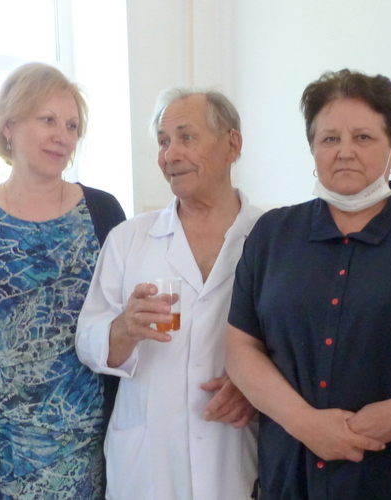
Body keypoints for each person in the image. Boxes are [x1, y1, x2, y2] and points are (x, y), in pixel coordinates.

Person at [226, 69, 391, 500]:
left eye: (363, 137)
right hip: (289, 473)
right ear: (312, 147)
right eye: (329, 138)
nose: (345, 152)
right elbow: (241, 348)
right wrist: (305, 423)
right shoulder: (273, 233)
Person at [0, 62, 126, 500]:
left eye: (72, 125)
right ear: (9, 126)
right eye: (48, 120)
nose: (63, 136)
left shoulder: (104, 213)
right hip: (1, 451)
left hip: (91, 448)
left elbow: (121, 325)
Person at [75, 89, 261, 499]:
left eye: (186, 137)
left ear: (232, 145)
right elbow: (87, 340)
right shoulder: (129, 239)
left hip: (234, 451)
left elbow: (300, 343)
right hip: (148, 465)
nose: (170, 154)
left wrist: (258, 386)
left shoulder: (270, 237)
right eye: (163, 142)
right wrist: (123, 329)